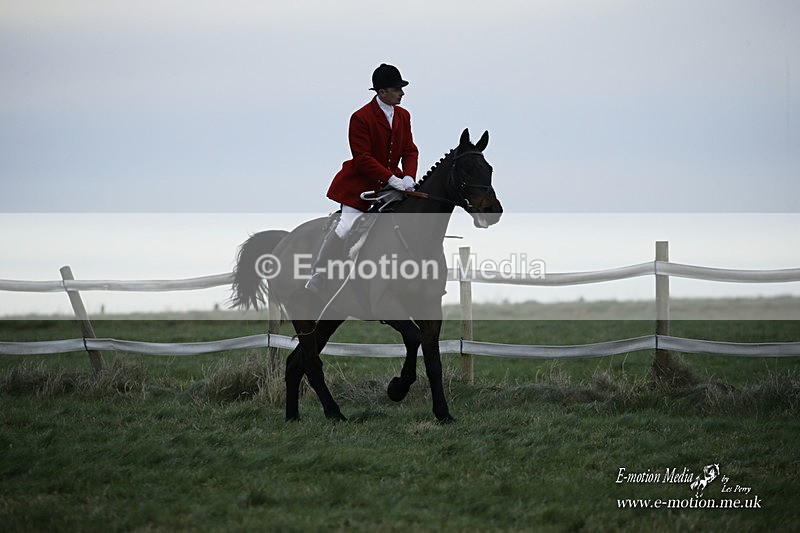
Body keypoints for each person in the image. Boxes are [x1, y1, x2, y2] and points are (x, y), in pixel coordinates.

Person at [305, 64, 419, 294]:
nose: (402, 93)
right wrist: (391, 178)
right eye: (397, 89)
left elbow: (409, 149)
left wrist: (408, 176)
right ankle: (319, 273)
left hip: (393, 182)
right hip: (360, 184)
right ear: (382, 92)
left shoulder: (403, 115)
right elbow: (362, 158)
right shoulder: (360, 118)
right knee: (346, 225)